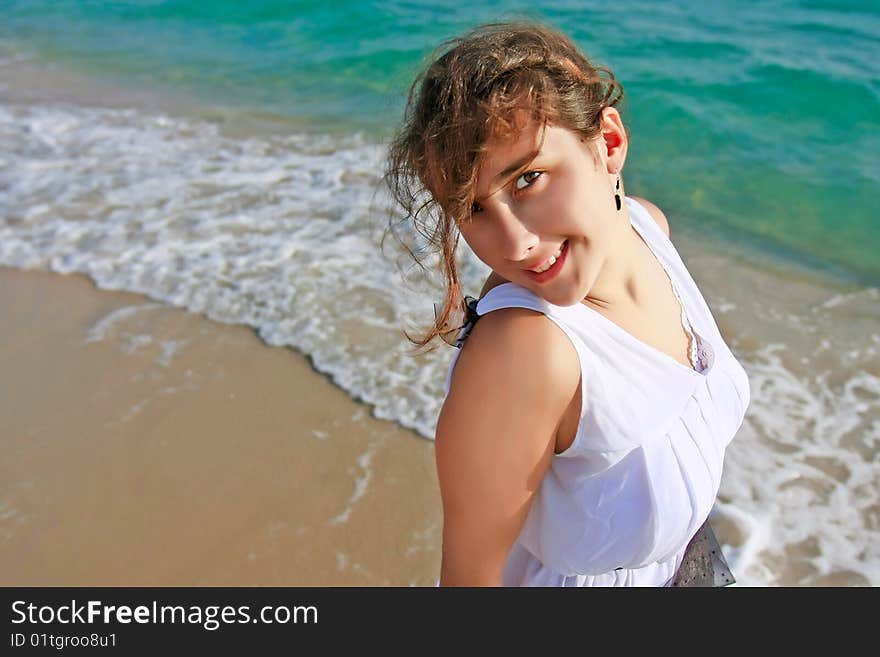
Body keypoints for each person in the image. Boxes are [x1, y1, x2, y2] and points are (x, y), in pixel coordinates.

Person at [385, 21, 751, 586]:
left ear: (608, 144)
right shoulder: (526, 353)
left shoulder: (649, 228)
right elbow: (469, 581)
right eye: (474, 209)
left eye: (528, 178)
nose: (514, 244)